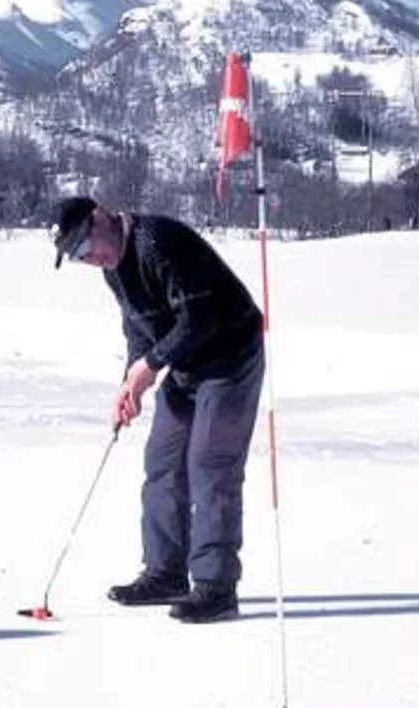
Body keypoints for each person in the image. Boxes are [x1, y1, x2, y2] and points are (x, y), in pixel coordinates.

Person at [50, 195, 265, 624]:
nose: (88, 259)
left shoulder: (159, 242)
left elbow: (200, 320)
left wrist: (149, 367)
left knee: (210, 465)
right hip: (186, 365)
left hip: (230, 356)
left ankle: (216, 587)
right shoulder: (113, 269)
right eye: (76, 256)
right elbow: (139, 329)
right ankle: (166, 573)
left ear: (100, 218)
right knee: (163, 463)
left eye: (85, 246)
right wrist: (129, 384)